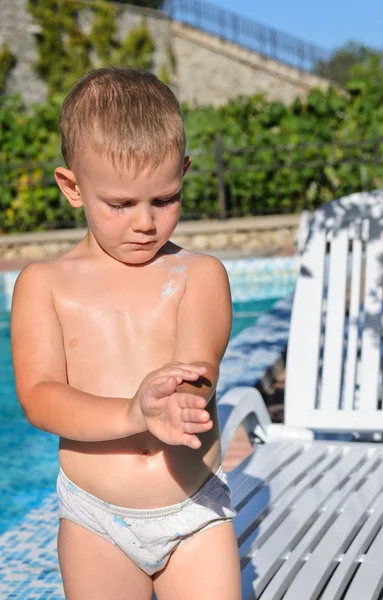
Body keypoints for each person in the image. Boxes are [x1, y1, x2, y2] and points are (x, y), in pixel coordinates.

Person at [11, 67, 241, 600]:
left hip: (192, 513)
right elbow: (40, 397)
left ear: (182, 173)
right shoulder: (44, 286)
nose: (145, 223)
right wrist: (133, 413)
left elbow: (198, 365)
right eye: (121, 204)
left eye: (164, 200)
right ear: (73, 187)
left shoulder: (199, 275)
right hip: (99, 522)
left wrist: (179, 398)